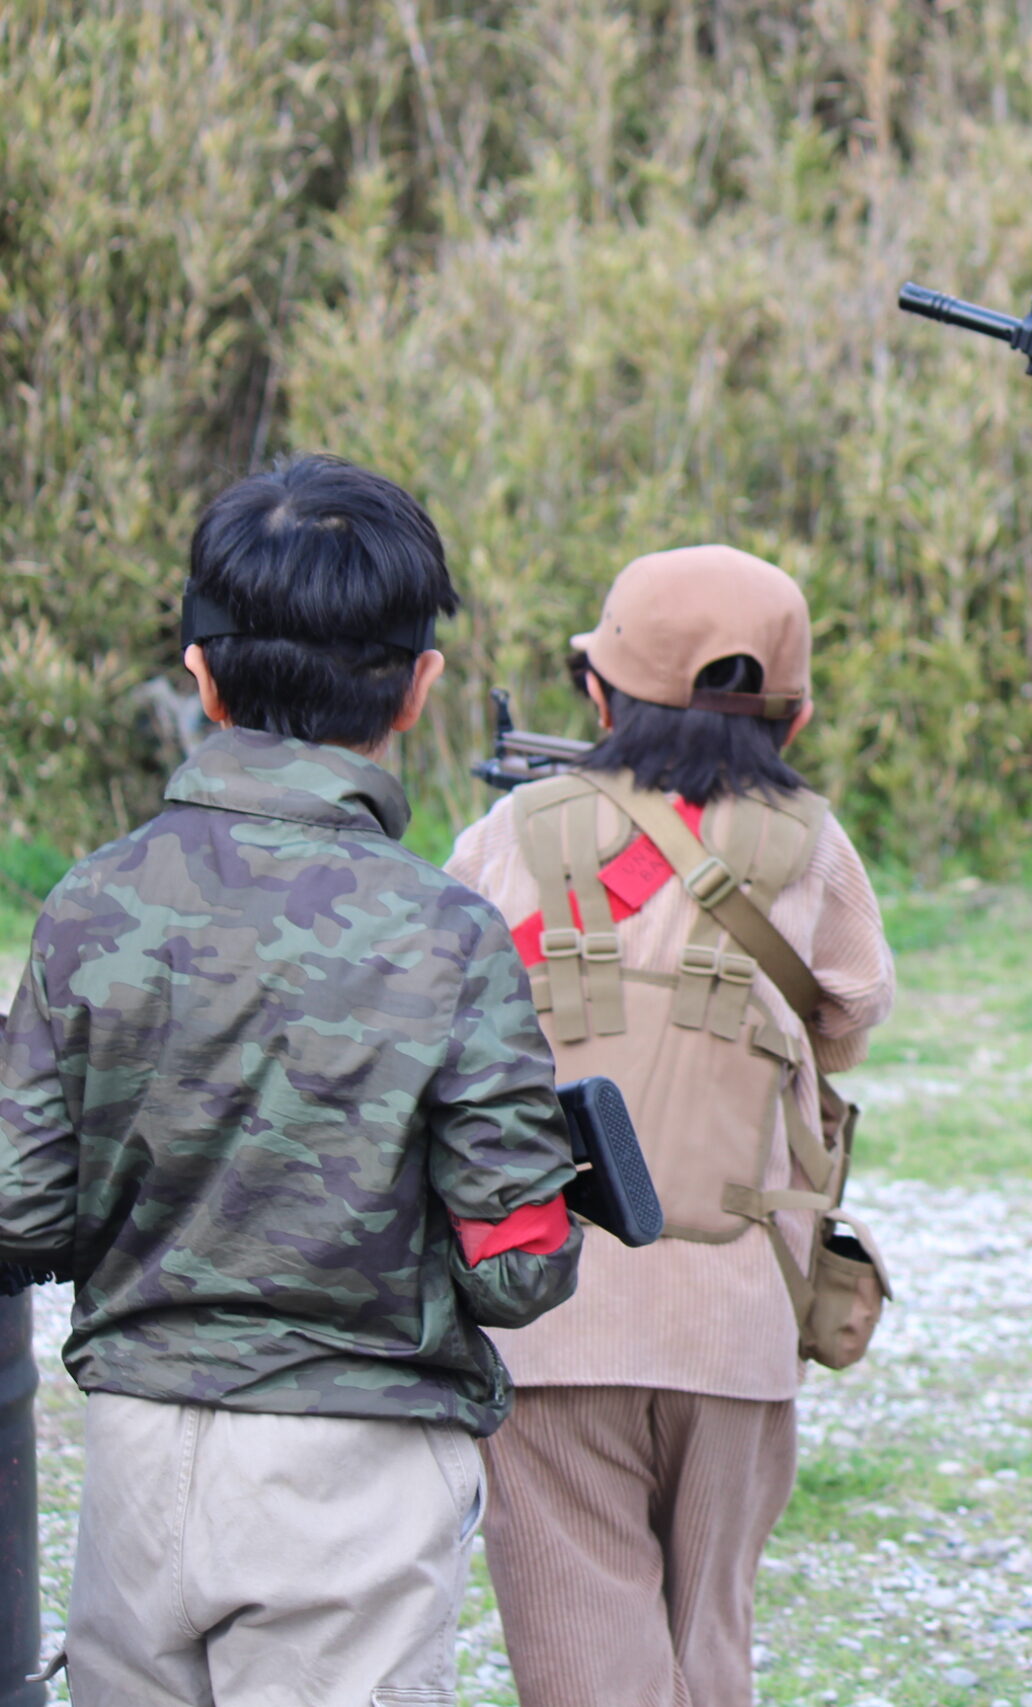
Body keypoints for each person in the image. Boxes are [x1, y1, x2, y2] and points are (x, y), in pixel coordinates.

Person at [0, 454, 585, 1705]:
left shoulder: (89, 903)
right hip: (353, 1477)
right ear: (419, 687)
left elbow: (20, 1210)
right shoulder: (447, 932)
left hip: (137, 1463)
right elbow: (519, 1265)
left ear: (201, 674)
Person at [446, 544, 893, 1707]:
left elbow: (444, 1026)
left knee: (582, 1656)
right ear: (795, 719)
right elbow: (849, 1021)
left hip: (547, 1318)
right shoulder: (813, 843)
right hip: (737, 1322)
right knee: (708, 1648)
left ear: (598, 698)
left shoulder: (510, 834)